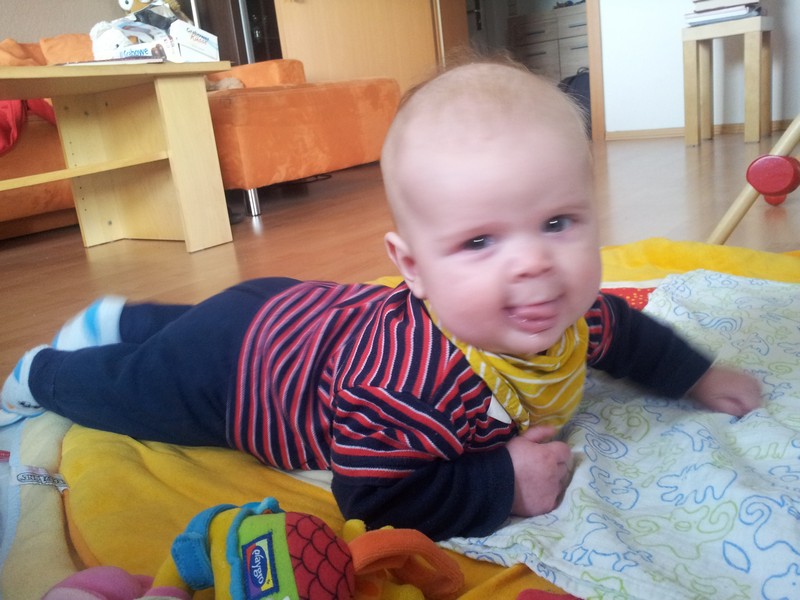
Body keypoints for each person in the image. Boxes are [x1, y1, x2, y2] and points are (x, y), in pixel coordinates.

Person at [1, 60, 762, 541]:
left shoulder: (571, 311)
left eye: (558, 222)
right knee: (135, 390)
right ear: (412, 267)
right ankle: (43, 371)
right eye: (479, 241)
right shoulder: (410, 386)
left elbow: (625, 332)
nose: (534, 262)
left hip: (292, 312)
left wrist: (696, 375)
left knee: (184, 327)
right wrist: (501, 485)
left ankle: (123, 319)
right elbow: (373, 494)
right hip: (239, 370)